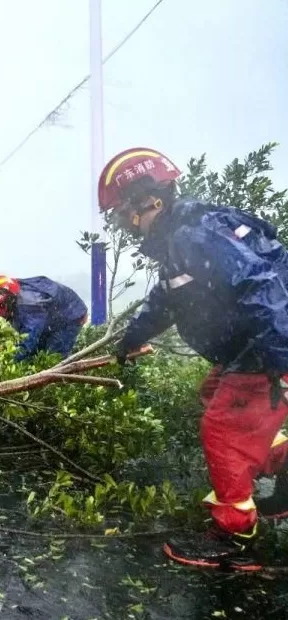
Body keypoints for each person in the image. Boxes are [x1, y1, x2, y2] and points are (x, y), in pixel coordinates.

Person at [100, 146, 288, 570]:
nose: (126, 226)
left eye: (124, 215)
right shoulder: (178, 241)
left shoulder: (194, 233)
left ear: (148, 202)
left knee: (223, 428)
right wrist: (131, 339)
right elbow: (164, 301)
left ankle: (235, 535)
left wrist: (280, 358)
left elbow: (260, 284)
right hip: (251, 347)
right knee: (214, 394)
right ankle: (284, 471)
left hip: (265, 347)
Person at [0, 275, 87, 361]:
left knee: (51, 359)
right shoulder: (13, 291)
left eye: (1, 312)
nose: (1, 315)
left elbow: (28, 344)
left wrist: (4, 355)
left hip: (72, 316)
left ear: (9, 300)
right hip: (51, 314)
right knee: (36, 351)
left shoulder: (30, 305)